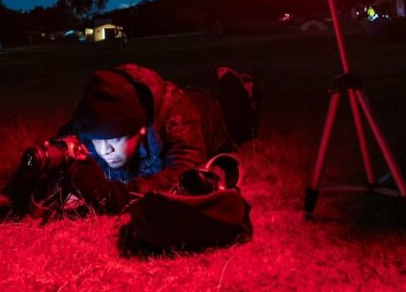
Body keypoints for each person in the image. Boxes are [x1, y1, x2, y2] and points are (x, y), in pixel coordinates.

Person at [57, 64, 258, 213]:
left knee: (242, 126)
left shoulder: (178, 118)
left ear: (141, 129)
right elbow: (63, 141)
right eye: (98, 141)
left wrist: (116, 193)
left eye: (114, 140)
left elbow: (183, 171)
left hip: (210, 112)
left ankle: (243, 91)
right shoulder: (103, 108)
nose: (104, 150)